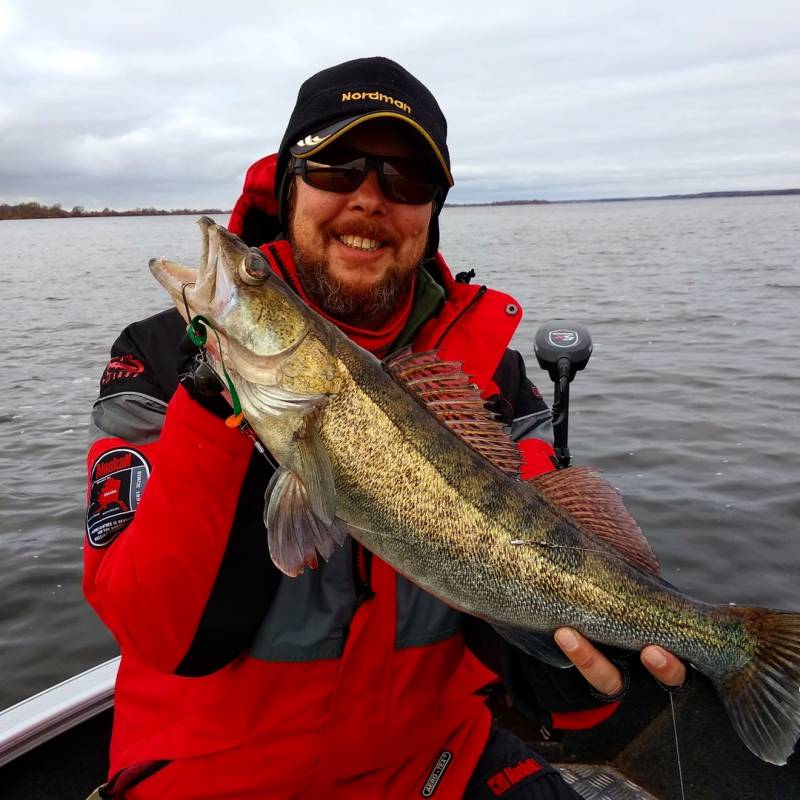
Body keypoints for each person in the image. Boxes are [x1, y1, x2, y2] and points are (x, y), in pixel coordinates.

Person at [84, 57, 686, 799]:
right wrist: (212, 409)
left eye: (406, 181)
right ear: (288, 184)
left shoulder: (487, 374)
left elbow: (546, 558)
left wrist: (571, 673)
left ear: (432, 210)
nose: (369, 199)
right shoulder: (156, 359)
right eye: (336, 166)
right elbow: (160, 633)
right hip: (213, 777)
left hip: (435, 759)